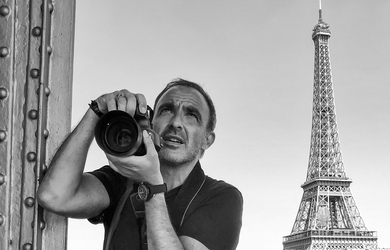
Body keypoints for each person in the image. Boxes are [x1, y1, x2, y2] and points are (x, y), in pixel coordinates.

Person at [37, 78, 243, 250]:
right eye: (166, 110)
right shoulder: (121, 181)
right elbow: (54, 196)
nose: (176, 123)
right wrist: (97, 111)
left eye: (191, 115)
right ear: (152, 123)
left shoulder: (221, 196)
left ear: (207, 139)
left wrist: (151, 184)